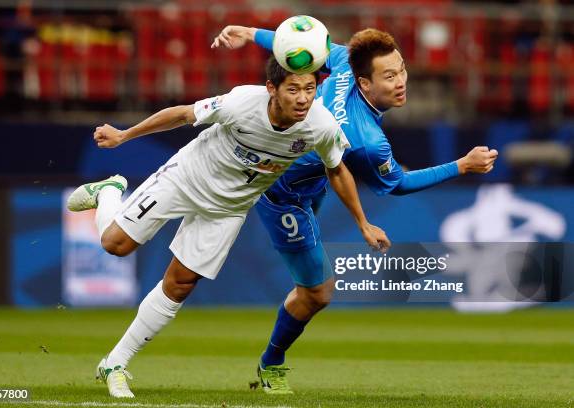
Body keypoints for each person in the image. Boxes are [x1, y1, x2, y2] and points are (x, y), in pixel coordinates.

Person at [66, 56, 391, 398]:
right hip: (186, 177)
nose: (302, 98)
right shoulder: (242, 102)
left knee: (179, 285)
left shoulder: (320, 125)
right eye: (293, 89)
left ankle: (115, 363)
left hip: (228, 208)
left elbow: (337, 169)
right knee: (115, 245)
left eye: (309, 89)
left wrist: (363, 222)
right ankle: (109, 192)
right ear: (272, 89)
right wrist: (124, 136)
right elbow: (182, 114)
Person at [211, 25, 499, 394]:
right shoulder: (367, 142)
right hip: (282, 193)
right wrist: (461, 165)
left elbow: (305, 46)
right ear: (364, 84)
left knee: (312, 287)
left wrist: (252, 33)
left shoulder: (347, 61)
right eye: (389, 76)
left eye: (402, 70)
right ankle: (271, 364)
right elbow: (397, 184)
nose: (400, 82)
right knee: (318, 293)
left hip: (312, 180)